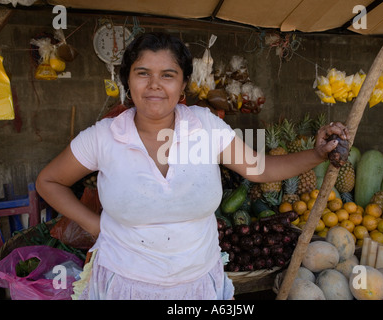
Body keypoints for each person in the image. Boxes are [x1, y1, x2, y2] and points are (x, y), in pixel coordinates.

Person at [36, 32, 349, 300]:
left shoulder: (205, 126)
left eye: (168, 75)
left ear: (183, 84)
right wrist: (95, 225)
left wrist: (317, 154)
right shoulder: (103, 137)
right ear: (127, 80)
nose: (154, 85)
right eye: (142, 72)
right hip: (125, 282)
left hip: (197, 284)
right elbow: (49, 181)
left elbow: (260, 170)